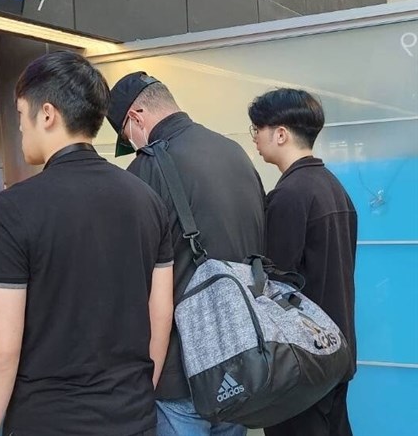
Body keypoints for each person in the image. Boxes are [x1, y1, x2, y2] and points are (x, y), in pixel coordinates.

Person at [0, 52, 174, 436]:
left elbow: (0, 350)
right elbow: (159, 315)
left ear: (47, 114)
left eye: (20, 116)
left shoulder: (11, 210)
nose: (20, 130)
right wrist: (135, 398)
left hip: (48, 422)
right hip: (133, 419)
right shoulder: (146, 199)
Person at [107, 72, 265, 436]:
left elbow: (130, 280)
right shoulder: (235, 153)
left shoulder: (147, 168)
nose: (131, 144)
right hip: (240, 363)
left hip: (181, 374)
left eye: (126, 136)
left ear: (136, 116)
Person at [248, 88, 357, 436]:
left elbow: (275, 286)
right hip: (336, 351)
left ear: (280, 134)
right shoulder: (333, 186)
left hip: (304, 362)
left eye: (257, 129)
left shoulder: (290, 195)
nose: (254, 138)